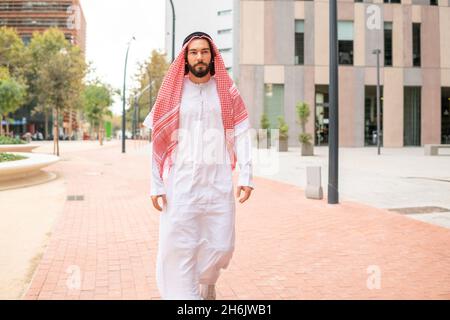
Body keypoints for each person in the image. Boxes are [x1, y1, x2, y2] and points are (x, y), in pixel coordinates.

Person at [143, 31, 254, 300]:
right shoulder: (173, 92)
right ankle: (187, 297)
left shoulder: (226, 90)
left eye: (204, 51)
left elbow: (242, 133)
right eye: (193, 52)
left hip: (218, 180)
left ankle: (206, 280)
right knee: (180, 244)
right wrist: (156, 184)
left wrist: (246, 176)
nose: (199, 57)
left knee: (222, 244)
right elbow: (157, 140)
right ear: (185, 57)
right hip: (181, 181)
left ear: (212, 55)